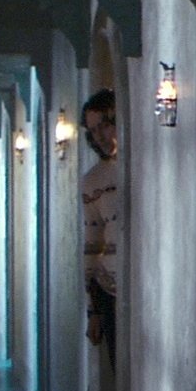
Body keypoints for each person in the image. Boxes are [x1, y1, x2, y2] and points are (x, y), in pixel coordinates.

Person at [80, 89, 121, 365]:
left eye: (104, 126)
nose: (100, 137)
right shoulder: (92, 181)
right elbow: (92, 241)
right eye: (93, 131)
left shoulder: (144, 164)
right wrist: (92, 310)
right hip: (109, 290)